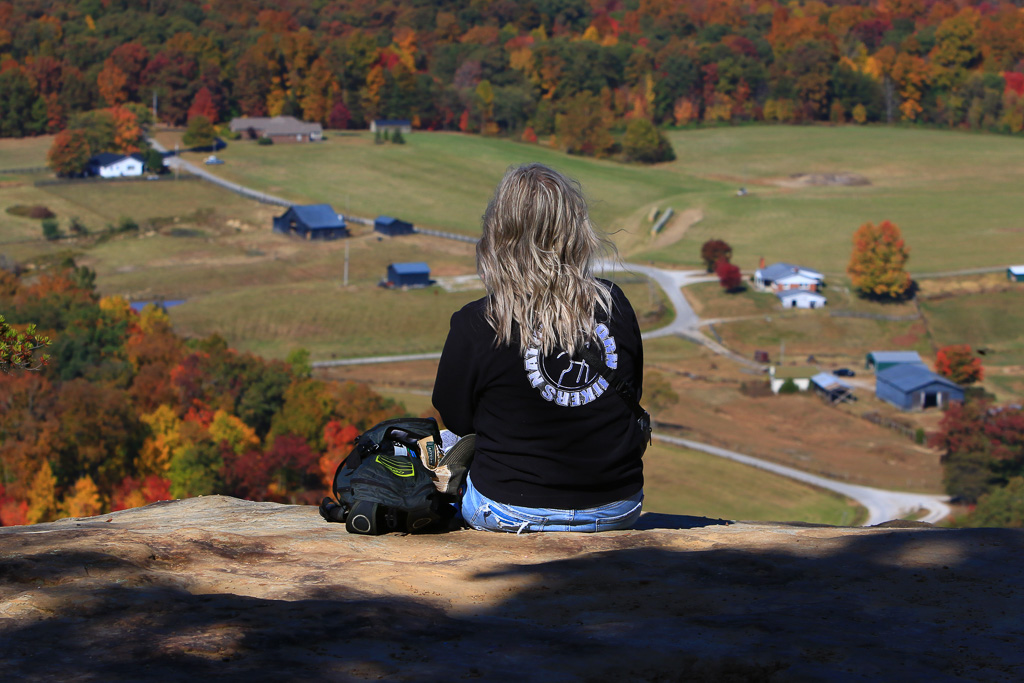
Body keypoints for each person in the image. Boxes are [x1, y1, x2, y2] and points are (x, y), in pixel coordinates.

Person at [432, 163, 645, 533]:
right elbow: (630, 391)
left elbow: (455, 418)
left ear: (498, 233)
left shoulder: (476, 323)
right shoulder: (615, 304)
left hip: (509, 511)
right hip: (616, 508)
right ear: (575, 232)